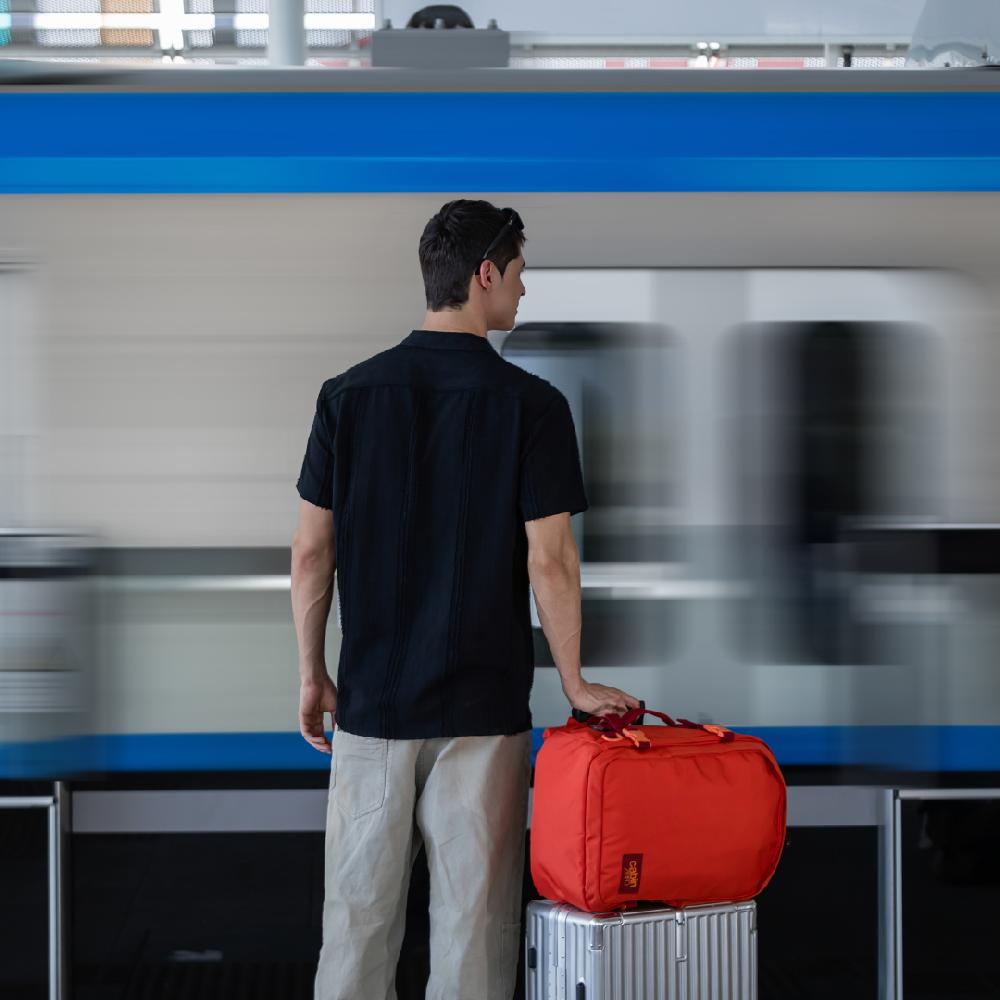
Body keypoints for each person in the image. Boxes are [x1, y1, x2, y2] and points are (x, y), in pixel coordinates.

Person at [290, 199, 640, 1000]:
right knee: (475, 935)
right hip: (483, 718)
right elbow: (549, 559)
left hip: (373, 711)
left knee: (356, 924)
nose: (523, 293)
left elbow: (313, 551)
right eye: (518, 275)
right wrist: (576, 680)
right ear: (485, 275)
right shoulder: (534, 406)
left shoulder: (346, 397)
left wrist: (314, 674)